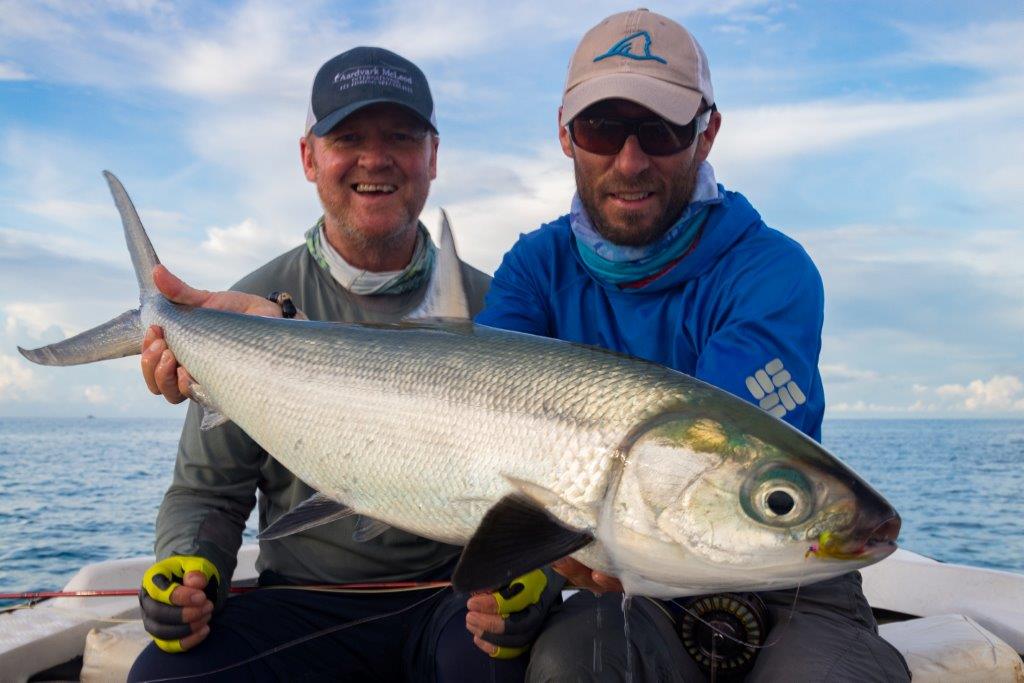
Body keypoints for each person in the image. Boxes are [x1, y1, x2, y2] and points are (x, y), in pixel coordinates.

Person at [469, 9, 912, 682]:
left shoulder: (770, 271)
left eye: (662, 130)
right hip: (615, 577)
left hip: (790, 577)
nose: (630, 159)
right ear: (564, 133)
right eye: (602, 128)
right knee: (569, 663)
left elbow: (719, 476)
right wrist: (537, 559)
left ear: (707, 133)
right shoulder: (535, 268)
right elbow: (482, 430)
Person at [128, 47, 548, 682]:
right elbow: (207, 492)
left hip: (455, 599)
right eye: (348, 137)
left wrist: (532, 579)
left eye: (401, 138)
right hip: (299, 602)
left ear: (432, 157)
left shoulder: (498, 310)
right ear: (309, 157)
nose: (374, 159)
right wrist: (189, 566)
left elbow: (550, 487)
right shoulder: (247, 310)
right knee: (164, 676)